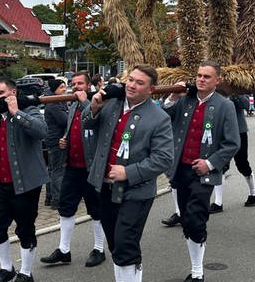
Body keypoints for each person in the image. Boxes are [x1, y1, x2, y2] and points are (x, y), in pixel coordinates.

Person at [83, 64, 173, 282]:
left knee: (125, 244)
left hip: (137, 192)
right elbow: (86, 124)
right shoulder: (111, 103)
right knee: (115, 244)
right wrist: (93, 108)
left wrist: (129, 172)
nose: (131, 85)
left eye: (139, 82)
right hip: (104, 186)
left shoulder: (159, 117)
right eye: (130, 79)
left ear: (151, 90)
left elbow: (164, 158)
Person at [162, 61, 240, 282]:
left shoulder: (225, 106)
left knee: (196, 219)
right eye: (199, 75)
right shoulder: (185, 100)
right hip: (180, 169)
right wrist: (173, 96)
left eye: (207, 76)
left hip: (203, 173)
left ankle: (197, 272)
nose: (201, 79)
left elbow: (232, 143)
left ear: (217, 80)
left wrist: (210, 163)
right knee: (187, 219)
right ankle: (195, 265)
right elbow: (164, 116)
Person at [41, 71, 107, 268]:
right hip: (72, 165)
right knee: (65, 208)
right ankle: (64, 250)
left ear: (88, 86)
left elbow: (95, 122)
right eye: (73, 84)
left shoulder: (98, 104)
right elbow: (73, 130)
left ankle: (99, 249)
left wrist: (87, 101)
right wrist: (66, 141)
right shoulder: (72, 107)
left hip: (91, 168)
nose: (75, 87)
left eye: (80, 84)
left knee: (96, 210)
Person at [0, 76, 49, 282]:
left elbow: (42, 132)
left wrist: (16, 112)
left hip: (27, 184)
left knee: (25, 228)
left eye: (0, 93)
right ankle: (7, 268)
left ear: (12, 94)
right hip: (1, 184)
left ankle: (25, 272)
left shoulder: (29, 112)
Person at [210, 93, 255, 213]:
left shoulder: (237, 90)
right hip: (220, 132)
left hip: (239, 131)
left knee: (242, 163)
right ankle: (218, 202)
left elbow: (247, 105)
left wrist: (234, 93)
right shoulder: (215, 93)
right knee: (220, 164)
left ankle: (253, 192)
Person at [43, 79, 68, 210]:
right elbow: (64, 121)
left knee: (52, 169)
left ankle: (49, 197)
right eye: (62, 87)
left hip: (52, 139)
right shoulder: (54, 103)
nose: (65, 89)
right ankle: (56, 200)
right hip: (57, 140)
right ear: (55, 89)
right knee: (58, 170)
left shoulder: (54, 101)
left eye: (65, 86)